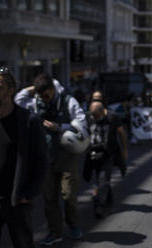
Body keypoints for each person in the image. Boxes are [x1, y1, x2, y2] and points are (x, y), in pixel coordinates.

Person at [15, 73, 88, 246]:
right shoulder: (35, 102)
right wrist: (34, 87)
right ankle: (55, 232)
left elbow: (81, 123)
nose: (44, 99)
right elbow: (18, 99)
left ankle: (73, 225)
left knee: (68, 194)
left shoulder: (68, 101)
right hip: (45, 158)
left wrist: (59, 127)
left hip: (67, 156)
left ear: (53, 89)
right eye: (40, 95)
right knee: (49, 198)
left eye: (46, 94)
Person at [0, 67, 48, 248]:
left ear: (10, 90)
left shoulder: (29, 121)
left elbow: (41, 161)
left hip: (17, 201)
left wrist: (29, 193)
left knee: (23, 244)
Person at [84, 101, 128, 218]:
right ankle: (108, 202)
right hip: (93, 154)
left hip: (108, 154)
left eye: (96, 115)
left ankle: (99, 205)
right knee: (98, 179)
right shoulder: (89, 117)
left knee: (103, 179)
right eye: (92, 116)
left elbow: (122, 133)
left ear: (102, 111)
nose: (94, 118)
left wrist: (124, 151)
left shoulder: (112, 117)